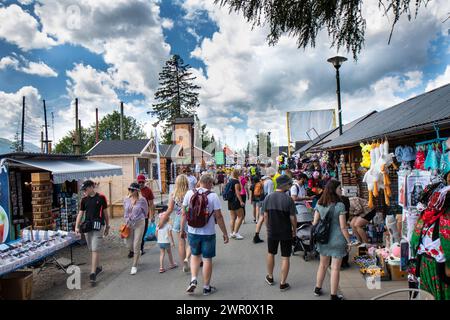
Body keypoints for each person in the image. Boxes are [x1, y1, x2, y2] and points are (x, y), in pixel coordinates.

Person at [180, 174, 229, 296]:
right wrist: (225, 233)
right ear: (209, 183)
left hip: (192, 231)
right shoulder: (213, 196)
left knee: (195, 256)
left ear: (200, 182)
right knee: (207, 259)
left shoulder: (189, 194)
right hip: (208, 233)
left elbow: (183, 213)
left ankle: (193, 279)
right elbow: (219, 216)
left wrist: (182, 229)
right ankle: (206, 287)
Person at [313, 179, 352, 300]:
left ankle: (317, 289)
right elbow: (343, 227)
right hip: (337, 240)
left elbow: (314, 222)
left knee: (322, 265)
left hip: (323, 239)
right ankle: (334, 295)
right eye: (340, 188)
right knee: (335, 268)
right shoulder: (340, 205)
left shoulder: (319, 203)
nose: (341, 190)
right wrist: (349, 241)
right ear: (334, 190)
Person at [262, 175, 297, 292]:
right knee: (285, 257)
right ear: (284, 185)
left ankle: (270, 277)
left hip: (272, 231)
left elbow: (265, 216)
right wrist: (294, 230)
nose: (289, 186)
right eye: (289, 184)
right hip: (286, 232)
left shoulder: (268, 197)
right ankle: (283, 283)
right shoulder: (288, 200)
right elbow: (292, 218)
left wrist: (268, 228)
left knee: (271, 253)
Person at [75, 180, 110, 284]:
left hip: (98, 227)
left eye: (85, 189)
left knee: (95, 249)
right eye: (83, 190)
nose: (84, 191)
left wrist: (107, 226)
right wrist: (76, 227)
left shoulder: (101, 198)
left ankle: (93, 273)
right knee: (92, 249)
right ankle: (98, 267)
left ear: (91, 187)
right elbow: (80, 214)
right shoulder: (84, 200)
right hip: (87, 227)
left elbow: (105, 213)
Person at [158, 174, 192, 272]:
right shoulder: (190, 193)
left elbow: (169, 209)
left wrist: (162, 220)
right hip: (190, 219)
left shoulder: (173, 194)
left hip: (178, 218)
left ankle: (183, 264)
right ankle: (188, 258)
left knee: (181, 243)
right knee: (191, 242)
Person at [123, 182, 149, 275]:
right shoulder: (126, 199)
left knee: (136, 243)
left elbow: (146, 212)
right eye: (129, 189)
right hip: (129, 224)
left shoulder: (142, 200)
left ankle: (134, 265)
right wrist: (126, 220)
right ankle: (137, 252)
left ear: (137, 191)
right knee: (129, 244)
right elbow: (125, 212)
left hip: (139, 223)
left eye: (132, 190)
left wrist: (137, 216)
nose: (130, 191)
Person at [253, 169, 276, 243]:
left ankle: (256, 235)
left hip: (261, 200)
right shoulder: (270, 182)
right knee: (267, 218)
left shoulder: (263, 180)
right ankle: (270, 235)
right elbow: (270, 194)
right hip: (267, 201)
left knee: (261, 218)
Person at [136, 174, 155, 257]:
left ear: (144, 182)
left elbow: (151, 204)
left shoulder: (148, 191)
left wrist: (152, 215)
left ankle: (140, 248)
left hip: (145, 215)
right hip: (135, 216)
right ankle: (133, 249)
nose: (140, 183)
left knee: (143, 233)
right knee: (134, 233)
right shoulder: (134, 190)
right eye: (139, 182)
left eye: (142, 182)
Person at [227, 169, 246, 240]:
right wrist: (241, 201)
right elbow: (237, 192)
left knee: (233, 218)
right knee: (241, 216)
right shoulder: (236, 181)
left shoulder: (230, 181)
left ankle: (232, 233)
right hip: (236, 201)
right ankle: (236, 233)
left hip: (230, 201)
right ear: (238, 174)